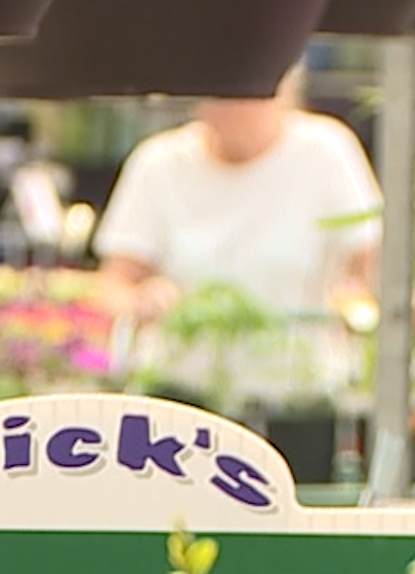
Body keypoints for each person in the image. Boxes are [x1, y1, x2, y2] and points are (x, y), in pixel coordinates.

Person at [93, 66, 383, 411]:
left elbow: (374, 269)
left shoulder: (327, 152)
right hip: (179, 397)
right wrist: (143, 299)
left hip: (296, 399)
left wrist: (355, 306)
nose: (230, 109)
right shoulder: (157, 163)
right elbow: (112, 284)